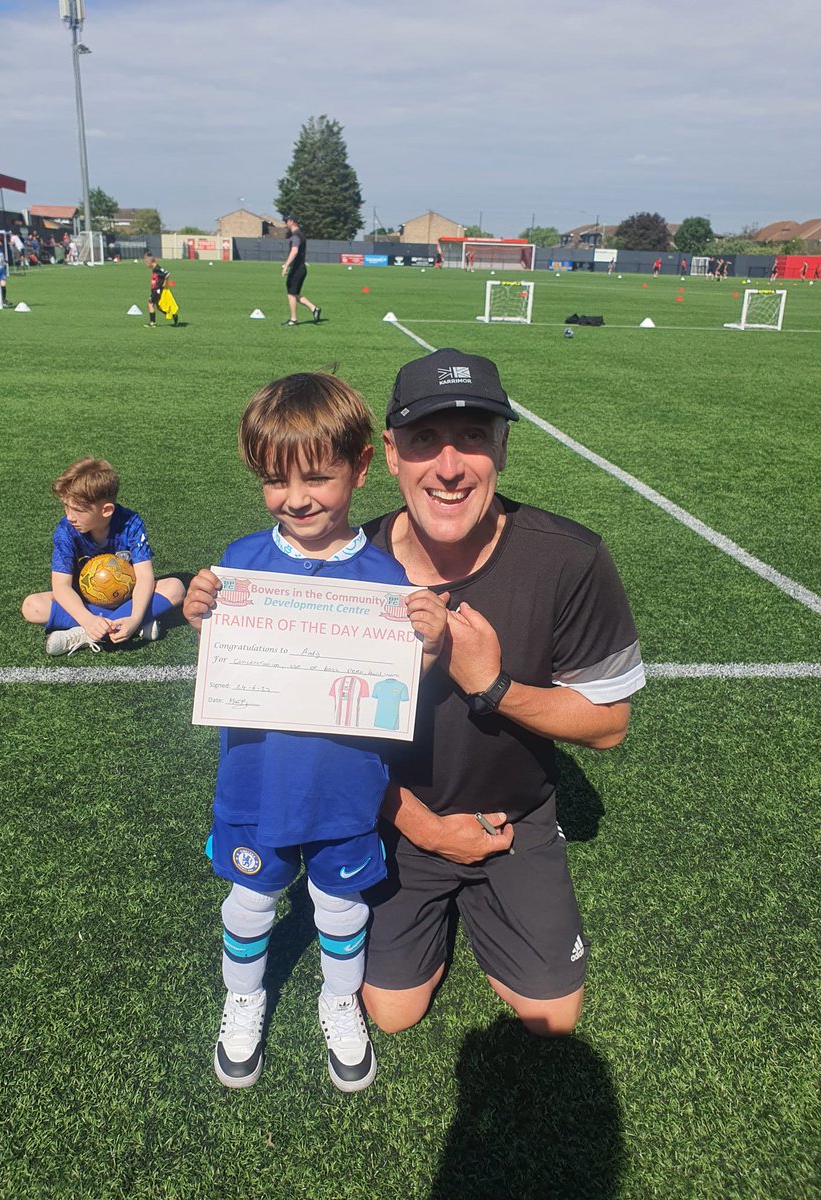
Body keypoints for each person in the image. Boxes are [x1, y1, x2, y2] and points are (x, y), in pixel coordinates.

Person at [355, 349, 643, 1039]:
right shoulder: (352, 569)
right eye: (425, 439)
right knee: (392, 1014)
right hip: (399, 818)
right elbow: (323, 740)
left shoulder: (569, 558)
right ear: (391, 454)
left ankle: (494, 893)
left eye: (474, 437)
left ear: (504, 448)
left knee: (551, 1018)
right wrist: (425, 829)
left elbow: (609, 726)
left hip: (516, 817)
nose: (449, 467)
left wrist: (493, 684)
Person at [183, 372, 447, 1092]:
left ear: (362, 467)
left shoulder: (386, 578)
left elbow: (398, 692)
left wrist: (424, 649)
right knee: (249, 900)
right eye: (274, 480)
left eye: (317, 478)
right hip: (255, 784)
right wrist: (202, 614)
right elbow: (225, 656)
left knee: (340, 902)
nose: (295, 498)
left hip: (344, 790)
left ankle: (339, 1001)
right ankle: (245, 997)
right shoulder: (239, 564)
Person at [21, 457, 186, 655]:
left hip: (128, 599)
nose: (69, 516)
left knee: (176, 587)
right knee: (32, 606)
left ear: (106, 510)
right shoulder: (66, 530)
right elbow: (61, 587)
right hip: (83, 603)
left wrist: (134, 617)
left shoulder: (130, 523)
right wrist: (88, 619)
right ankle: (135, 625)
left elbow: (144, 577)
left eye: (78, 510)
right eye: (66, 507)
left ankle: (85, 635)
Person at [280, 216, 321, 326]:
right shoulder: (301, 234)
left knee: (291, 294)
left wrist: (286, 265)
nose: (285, 223)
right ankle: (314, 308)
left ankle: (293, 319)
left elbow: (294, 251)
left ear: (292, 222)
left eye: (286, 221)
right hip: (301, 268)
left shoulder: (296, 236)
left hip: (297, 269)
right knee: (294, 293)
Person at [144, 254, 178, 327]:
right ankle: (172, 315)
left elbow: (167, 274)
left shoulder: (157, 268)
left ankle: (152, 323)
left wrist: (165, 282)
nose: (146, 264)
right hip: (155, 289)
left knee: (150, 304)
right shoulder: (155, 268)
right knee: (159, 307)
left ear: (150, 262)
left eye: (146, 263)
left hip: (157, 290)